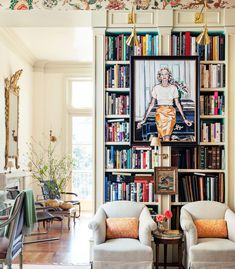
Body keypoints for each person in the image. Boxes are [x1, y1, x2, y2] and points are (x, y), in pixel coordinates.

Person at [137, 67, 192, 141]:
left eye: (166, 74)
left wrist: (184, 119)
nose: (164, 76)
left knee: (166, 137)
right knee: (163, 137)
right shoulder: (156, 88)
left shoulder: (173, 88)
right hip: (160, 113)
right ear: (159, 76)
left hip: (170, 113)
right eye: (162, 74)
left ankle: (167, 148)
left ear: (169, 76)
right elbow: (152, 104)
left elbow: (177, 103)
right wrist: (144, 119)